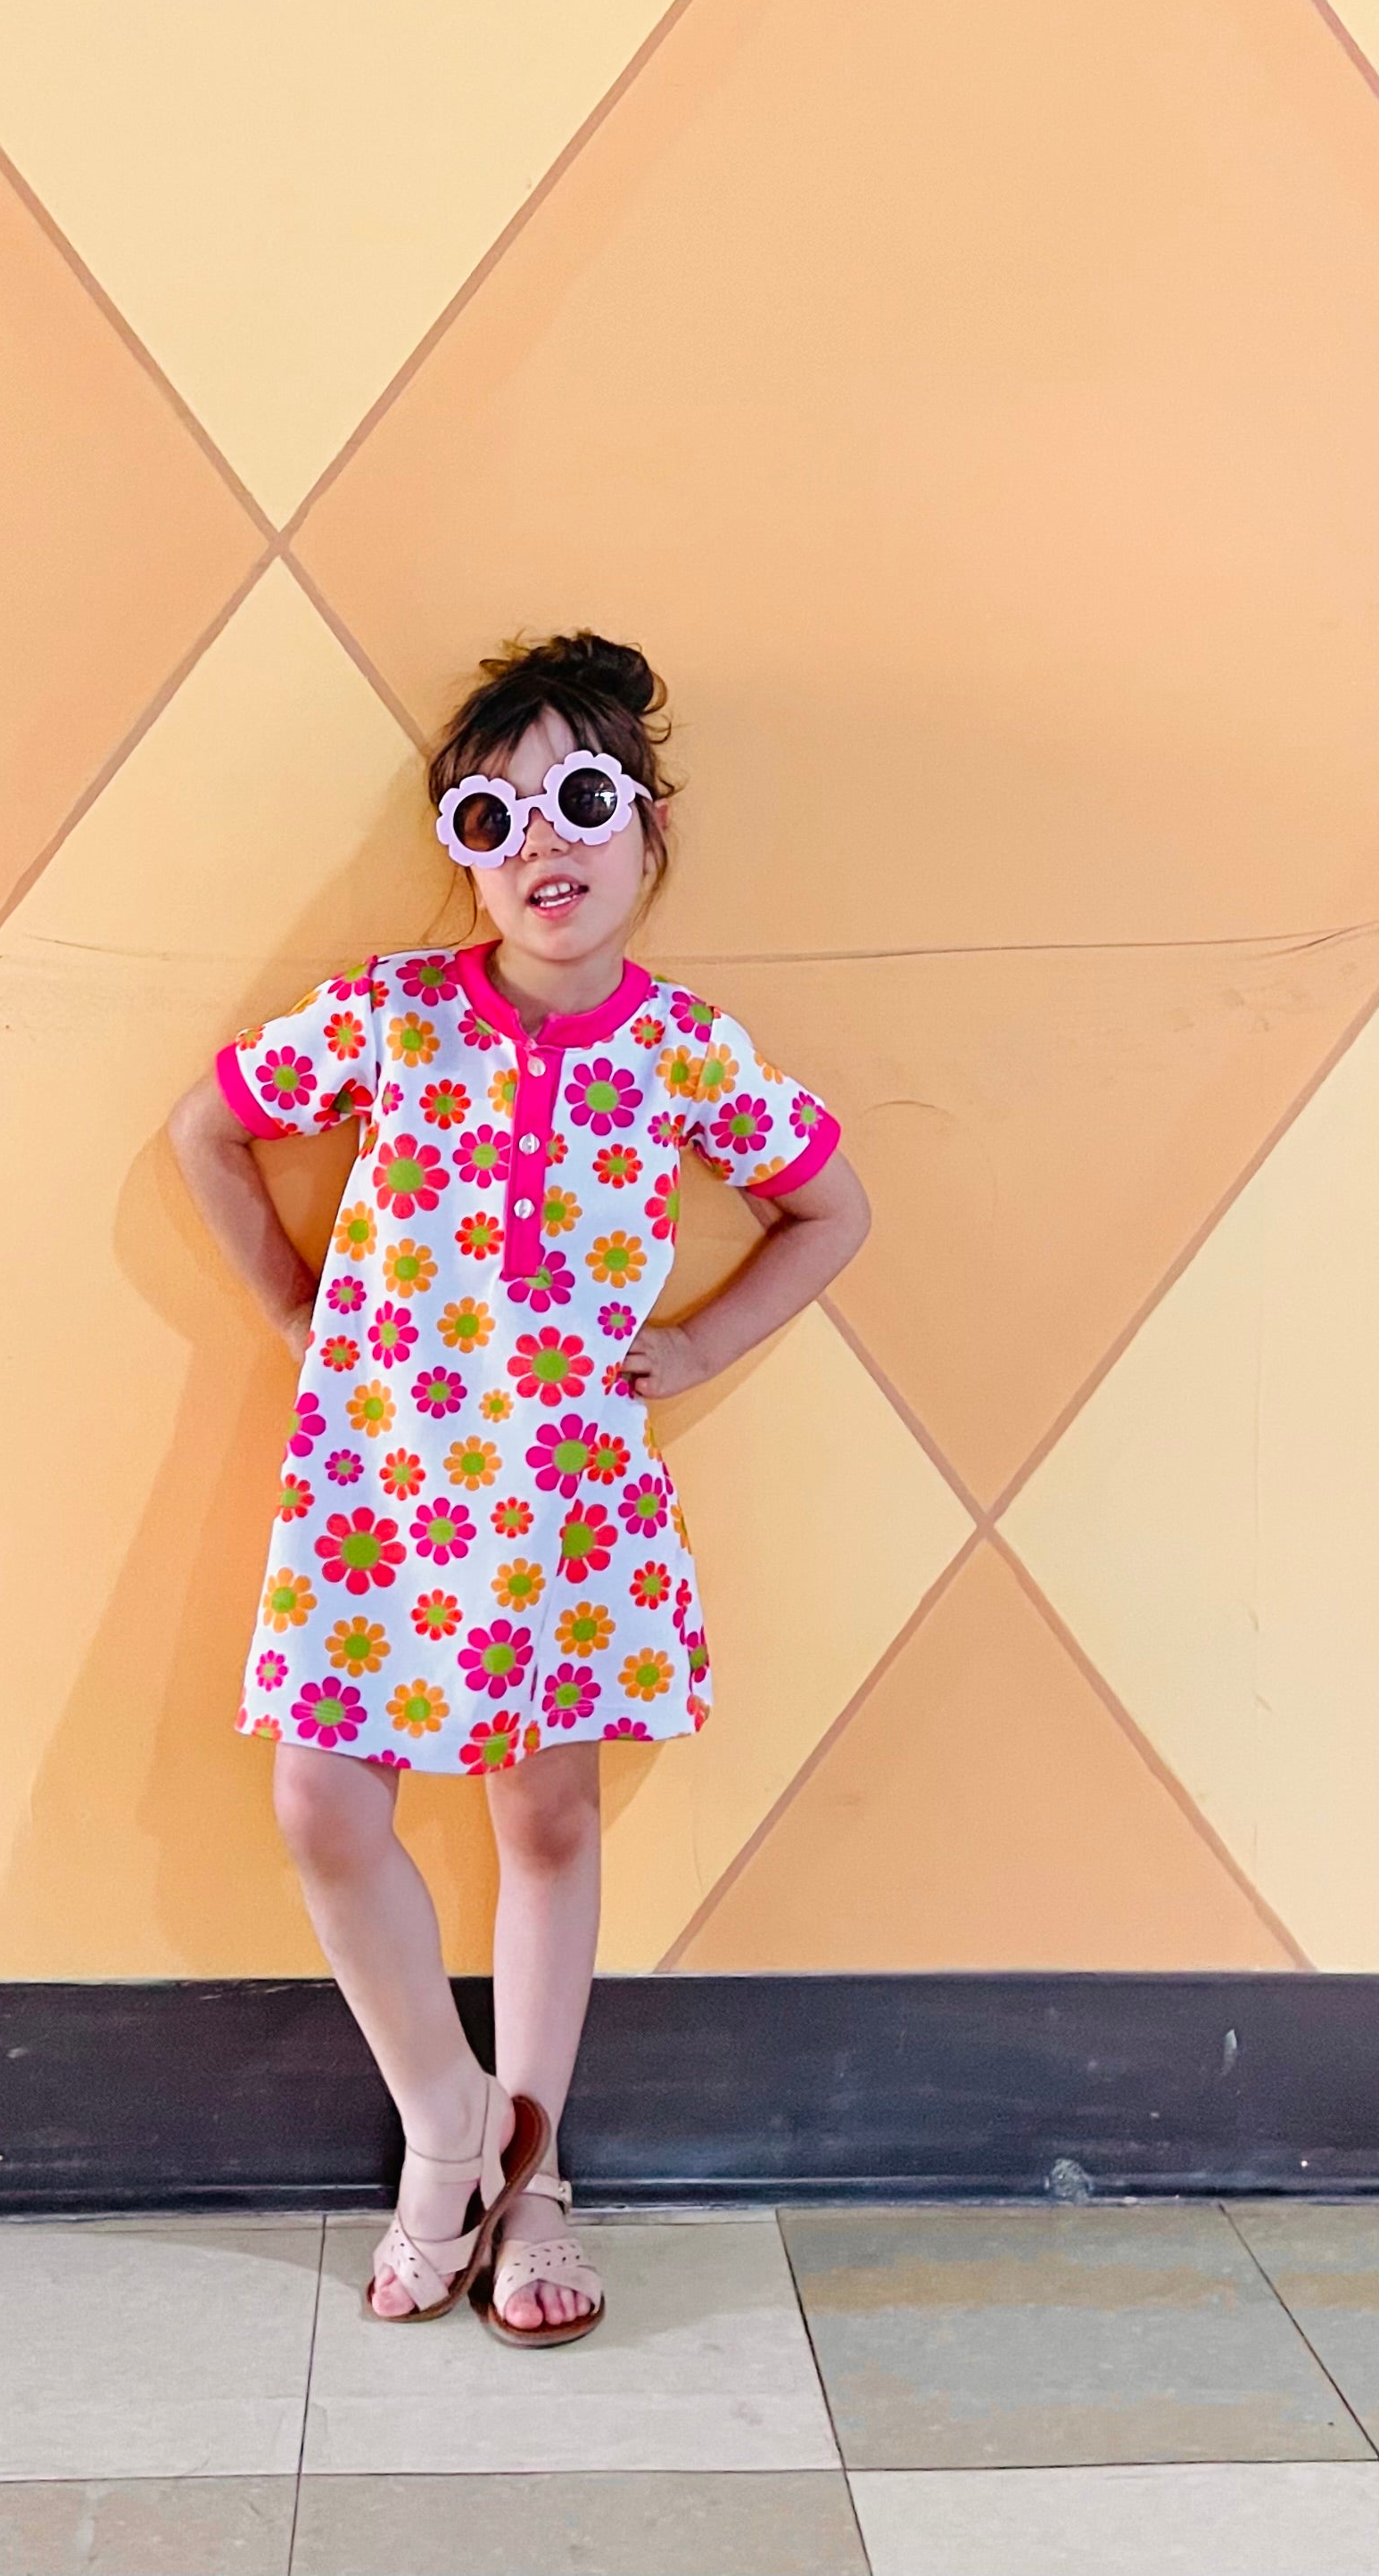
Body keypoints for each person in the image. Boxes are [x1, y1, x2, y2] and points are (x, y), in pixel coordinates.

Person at [170, 632, 870, 2343]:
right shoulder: (391, 1014)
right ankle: (447, 2127)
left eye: (578, 799)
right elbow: (209, 1128)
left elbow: (829, 1210)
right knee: (323, 1806)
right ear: (461, 853)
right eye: (492, 816)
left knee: (542, 1818)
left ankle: (539, 2170)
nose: (541, 845)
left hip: (560, 1492)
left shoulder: (688, 1051)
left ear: (643, 826)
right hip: (375, 1484)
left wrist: (697, 1353)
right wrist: (295, 1305)